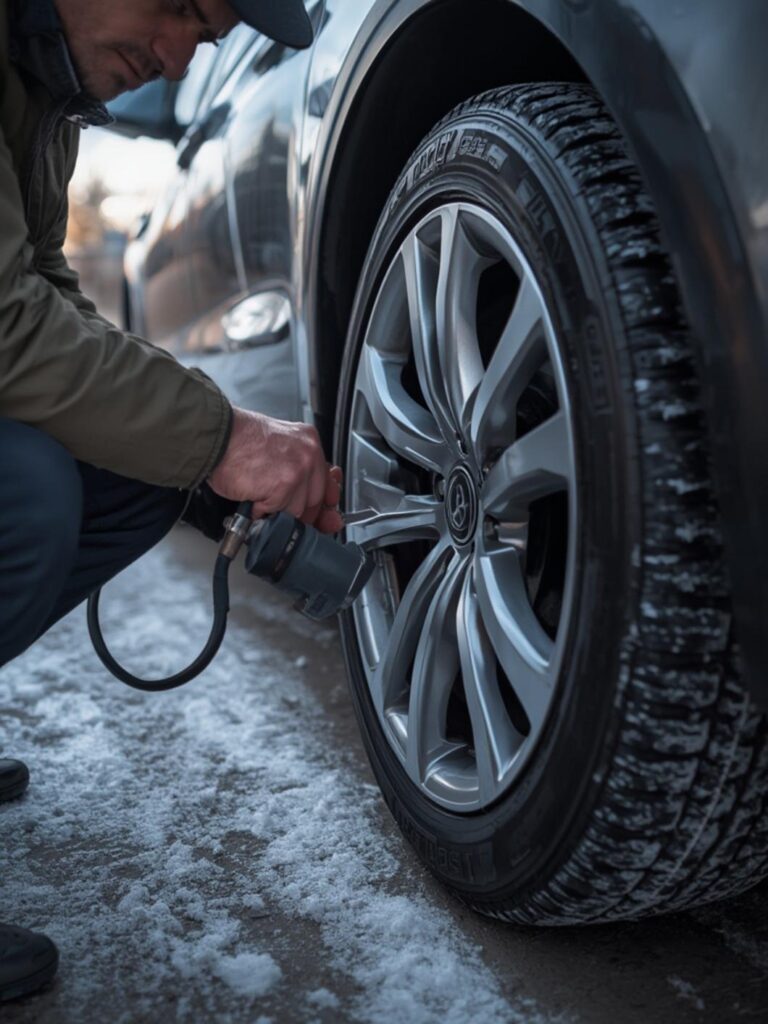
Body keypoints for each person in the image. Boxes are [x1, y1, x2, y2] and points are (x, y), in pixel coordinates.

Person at [0, 0, 336, 1002]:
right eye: (185, 4)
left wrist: (201, 449)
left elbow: (45, 290)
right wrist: (228, 436)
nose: (183, 57)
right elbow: (9, 335)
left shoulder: (40, 91)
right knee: (26, 496)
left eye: (214, 34)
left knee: (143, 465)